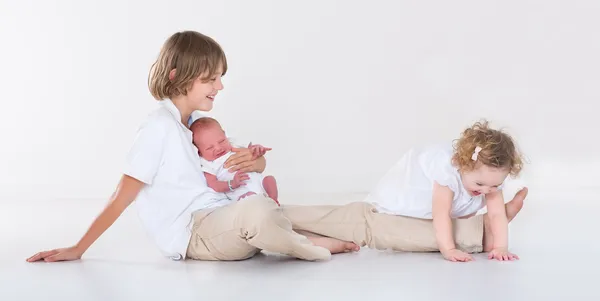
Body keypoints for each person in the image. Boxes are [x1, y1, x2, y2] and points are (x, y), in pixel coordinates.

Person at [26, 30, 359, 263]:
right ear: (177, 77)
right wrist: (78, 247)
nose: (220, 85)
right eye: (210, 79)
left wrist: (254, 164)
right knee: (259, 211)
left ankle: (356, 224)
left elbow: (237, 167)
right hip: (196, 234)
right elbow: (121, 195)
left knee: (301, 210)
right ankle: (313, 246)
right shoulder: (159, 127)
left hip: (222, 213)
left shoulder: (194, 126)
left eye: (219, 77)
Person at [281, 120, 528, 263]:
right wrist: (448, 249)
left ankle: (486, 234)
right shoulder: (446, 172)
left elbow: (496, 214)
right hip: (393, 209)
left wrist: (502, 246)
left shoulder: (488, 180)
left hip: (414, 216)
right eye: (480, 185)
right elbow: (440, 214)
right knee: (365, 225)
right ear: (463, 166)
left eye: (494, 186)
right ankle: (280, 213)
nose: (487, 191)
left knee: (354, 225)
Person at [190, 116, 280, 205]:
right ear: (199, 151)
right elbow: (214, 185)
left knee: (269, 179)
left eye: (221, 141)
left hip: (260, 184)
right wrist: (232, 183)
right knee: (250, 197)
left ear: (225, 134)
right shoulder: (207, 163)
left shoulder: (233, 145)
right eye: (210, 148)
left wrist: (257, 149)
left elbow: (250, 150)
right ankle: (262, 203)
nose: (218, 148)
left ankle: (273, 200)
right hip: (240, 191)